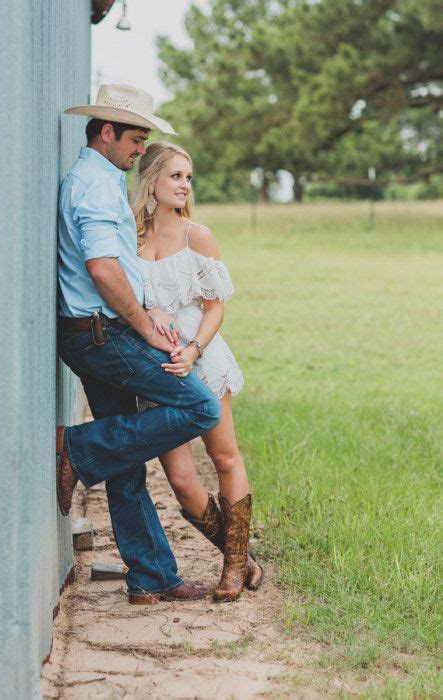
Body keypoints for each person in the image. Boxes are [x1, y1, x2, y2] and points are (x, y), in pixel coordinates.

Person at [56, 84, 222, 604]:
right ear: (106, 132)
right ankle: (75, 447)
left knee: (125, 461)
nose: (139, 148)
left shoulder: (95, 178)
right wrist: (147, 327)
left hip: (95, 330)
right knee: (199, 406)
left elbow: (117, 266)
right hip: (103, 335)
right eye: (134, 138)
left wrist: (148, 306)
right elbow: (102, 269)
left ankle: (151, 577)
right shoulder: (97, 187)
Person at [133, 141, 264, 602]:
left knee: (224, 457)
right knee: (182, 479)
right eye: (175, 176)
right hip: (154, 368)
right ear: (151, 181)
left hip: (200, 357)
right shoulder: (131, 235)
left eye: (188, 177)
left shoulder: (198, 236)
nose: (184, 185)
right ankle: (243, 556)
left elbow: (215, 308)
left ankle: (231, 569)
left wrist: (192, 349)